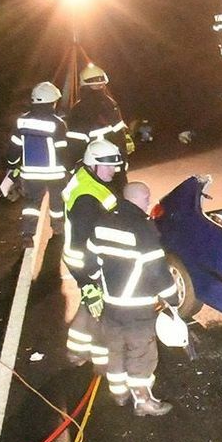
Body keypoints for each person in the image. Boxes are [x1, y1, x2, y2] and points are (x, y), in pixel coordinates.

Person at [86, 182, 176, 416]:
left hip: (111, 305)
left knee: (115, 349)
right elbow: (158, 271)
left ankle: (119, 394)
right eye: (147, 198)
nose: (149, 202)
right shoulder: (143, 229)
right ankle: (143, 401)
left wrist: (99, 282)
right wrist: (172, 298)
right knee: (141, 354)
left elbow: (91, 261)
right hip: (137, 307)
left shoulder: (102, 222)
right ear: (139, 198)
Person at [61, 139, 127, 369]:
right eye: (108, 165)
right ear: (93, 164)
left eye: (115, 165)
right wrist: (89, 279)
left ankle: (76, 350)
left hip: (85, 260)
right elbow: (82, 240)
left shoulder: (87, 179)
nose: (113, 170)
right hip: (86, 262)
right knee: (98, 306)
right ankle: (99, 358)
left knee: (90, 306)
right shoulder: (86, 199)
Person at [5, 81, 70, 246]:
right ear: (52, 102)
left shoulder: (21, 121)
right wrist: (69, 169)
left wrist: (12, 166)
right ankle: (58, 230)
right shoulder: (58, 123)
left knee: (31, 204)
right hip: (55, 173)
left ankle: (27, 235)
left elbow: (14, 147)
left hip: (30, 173)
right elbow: (62, 151)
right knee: (57, 203)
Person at [68, 61, 129, 155]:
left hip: (92, 156)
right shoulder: (110, 103)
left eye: (101, 84)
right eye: (98, 85)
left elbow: (75, 142)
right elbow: (120, 134)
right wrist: (123, 157)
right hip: (110, 154)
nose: (100, 87)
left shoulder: (78, 108)